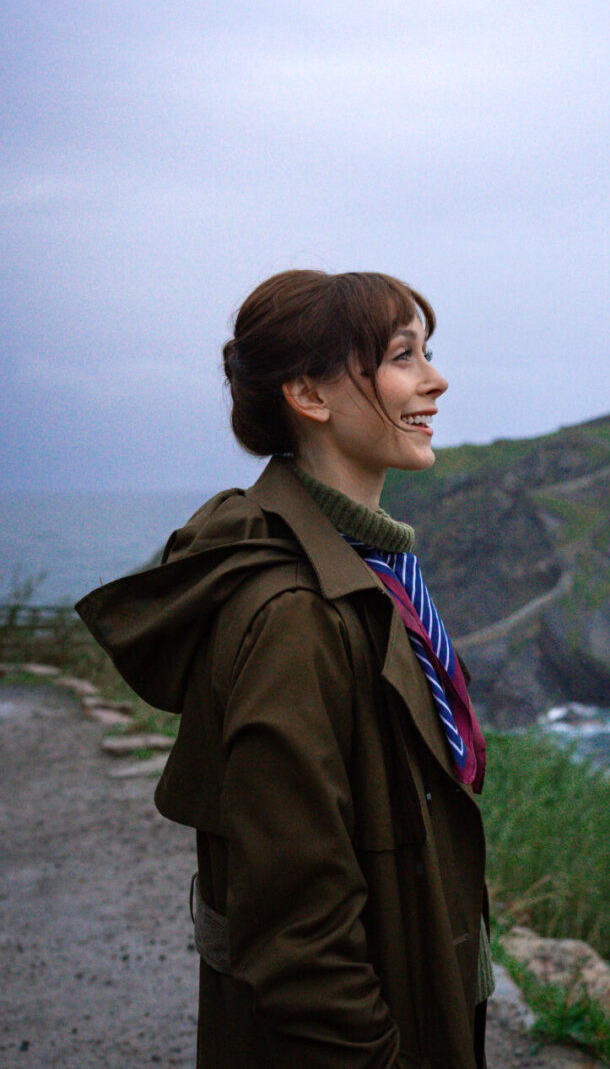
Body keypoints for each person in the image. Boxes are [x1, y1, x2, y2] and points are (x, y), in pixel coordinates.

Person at [77, 269, 489, 1069]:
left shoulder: (367, 569)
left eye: (428, 353)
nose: (436, 381)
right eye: (404, 356)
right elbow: (298, 935)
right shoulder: (295, 612)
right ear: (309, 393)